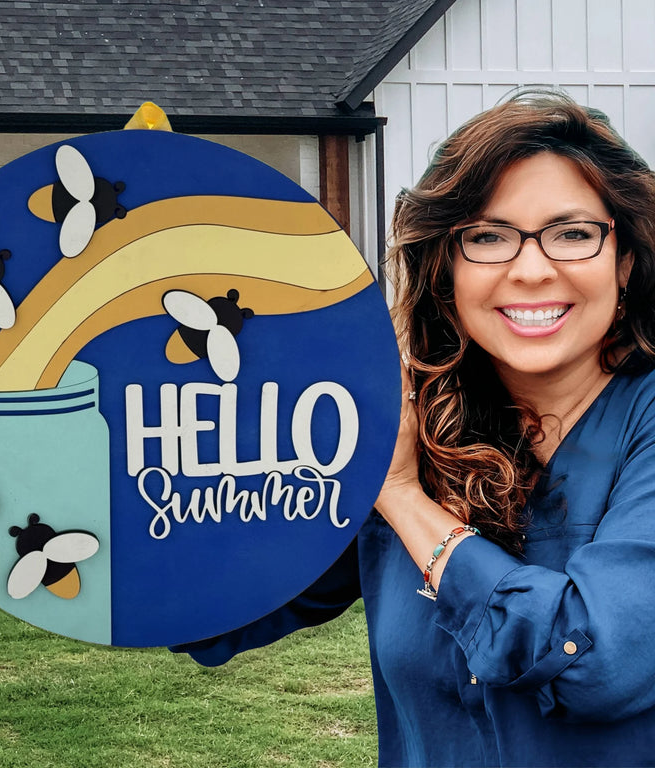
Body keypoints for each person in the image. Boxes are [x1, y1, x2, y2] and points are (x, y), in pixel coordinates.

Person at [173, 90, 655, 767]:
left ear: (625, 260)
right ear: (446, 270)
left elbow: (596, 662)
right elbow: (222, 607)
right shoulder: (410, 425)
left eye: (573, 233)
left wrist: (402, 498)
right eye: (487, 237)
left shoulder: (641, 426)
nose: (531, 268)